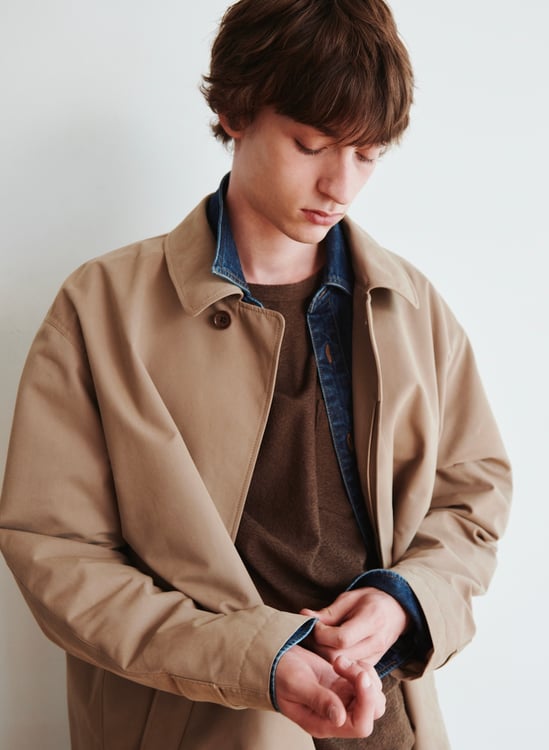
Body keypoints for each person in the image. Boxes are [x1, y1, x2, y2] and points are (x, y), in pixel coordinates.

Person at [0, 1, 511, 748]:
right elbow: (57, 551)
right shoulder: (100, 308)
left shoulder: (410, 306)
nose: (341, 186)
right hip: (198, 725)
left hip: (388, 721)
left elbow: (472, 499)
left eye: (368, 155)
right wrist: (256, 661)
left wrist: (405, 601)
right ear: (236, 111)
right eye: (312, 145)